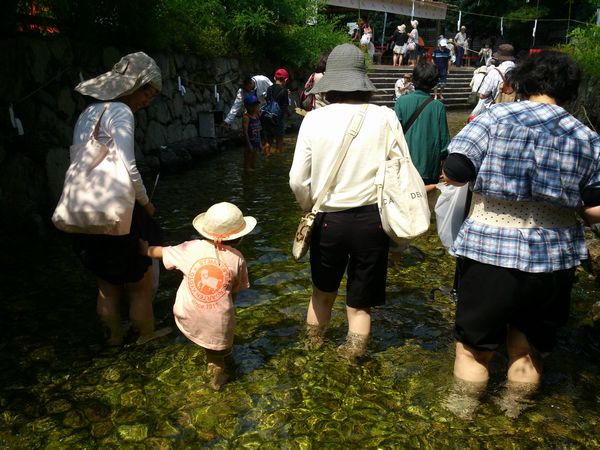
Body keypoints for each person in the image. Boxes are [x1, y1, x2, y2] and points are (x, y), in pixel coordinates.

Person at [441, 51, 600, 418]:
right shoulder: (587, 137)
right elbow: (593, 204)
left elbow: (458, 168)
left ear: (523, 82)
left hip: (489, 250)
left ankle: (460, 422)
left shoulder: (493, 116)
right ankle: (512, 423)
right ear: (569, 91)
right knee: (527, 352)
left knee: (473, 350)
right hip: (554, 258)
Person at [289, 43, 406, 363]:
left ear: (331, 82)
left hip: (329, 220)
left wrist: (310, 205)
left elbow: (298, 180)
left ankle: (312, 353)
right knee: (359, 304)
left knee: (321, 295)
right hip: (373, 221)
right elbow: (400, 172)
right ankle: (352, 358)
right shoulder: (385, 117)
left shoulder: (314, 120)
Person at [71, 52, 172, 346]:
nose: (147, 101)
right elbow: (129, 167)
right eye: (147, 92)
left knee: (106, 285)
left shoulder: (87, 113)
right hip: (118, 209)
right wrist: (146, 203)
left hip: (85, 207)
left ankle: (114, 339)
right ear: (133, 85)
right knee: (139, 286)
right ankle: (146, 336)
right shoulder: (121, 113)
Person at [140, 202, 256, 390]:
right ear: (239, 237)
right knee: (217, 356)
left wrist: (143, 249)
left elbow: (160, 252)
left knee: (202, 335)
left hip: (188, 314)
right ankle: (216, 378)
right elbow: (234, 293)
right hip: (217, 322)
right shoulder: (238, 259)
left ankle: (205, 352)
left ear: (205, 231)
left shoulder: (190, 247)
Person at [395, 61, 449, 208]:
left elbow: (394, 135)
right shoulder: (438, 106)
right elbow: (444, 144)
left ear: (413, 79)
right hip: (428, 168)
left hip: (405, 166)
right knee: (425, 210)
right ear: (435, 82)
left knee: (403, 209)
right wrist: (444, 169)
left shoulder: (401, 102)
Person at [470, 44, 516, 118]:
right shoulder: (519, 70)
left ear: (500, 58)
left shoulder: (494, 72)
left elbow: (483, 95)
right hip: (515, 111)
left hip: (496, 112)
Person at [263, 68, 289, 154]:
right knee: (279, 141)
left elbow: (267, 101)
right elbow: (285, 106)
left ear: (274, 78)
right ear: (286, 79)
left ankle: (266, 158)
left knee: (268, 141)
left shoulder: (269, 88)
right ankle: (278, 161)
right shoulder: (284, 91)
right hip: (278, 119)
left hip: (268, 118)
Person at [242, 94, 262, 171]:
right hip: (249, 144)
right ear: (247, 106)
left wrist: (260, 143)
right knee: (247, 166)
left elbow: (258, 130)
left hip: (256, 142)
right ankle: (247, 179)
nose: (254, 108)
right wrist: (249, 144)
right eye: (253, 106)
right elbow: (245, 132)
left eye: (256, 106)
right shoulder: (246, 117)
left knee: (253, 165)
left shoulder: (256, 116)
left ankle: (252, 179)